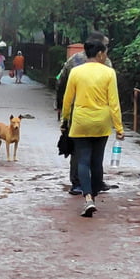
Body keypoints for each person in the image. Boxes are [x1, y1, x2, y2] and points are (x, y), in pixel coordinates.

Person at [60, 39, 123, 217]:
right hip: (101, 124)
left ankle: (87, 198)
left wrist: (64, 121)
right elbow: (114, 103)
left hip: (80, 122)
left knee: (83, 161)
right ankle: (93, 197)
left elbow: (67, 100)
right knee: (97, 162)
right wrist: (119, 127)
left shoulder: (76, 72)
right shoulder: (109, 73)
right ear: (100, 53)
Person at [56, 32, 113, 195]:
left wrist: (61, 108)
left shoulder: (73, 60)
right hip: (101, 114)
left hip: (77, 112)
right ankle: (97, 181)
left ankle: (77, 183)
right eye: (106, 46)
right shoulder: (106, 63)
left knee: (77, 150)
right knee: (97, 149)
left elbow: (61, 82)